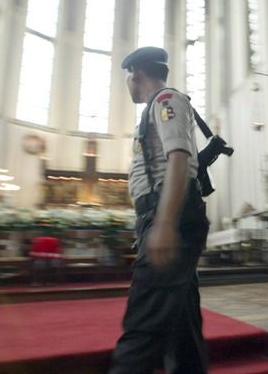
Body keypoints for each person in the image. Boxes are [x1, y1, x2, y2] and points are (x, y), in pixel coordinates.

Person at [109, 47, 210, 374]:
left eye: (128, 77)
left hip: (171, 215)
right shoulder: (155, 107)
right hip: (166, 214)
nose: (128, 84)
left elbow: (178, 159)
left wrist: (164, 223)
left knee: (143, 322)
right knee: (183, 325)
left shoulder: (166, 100)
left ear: (136, 73)